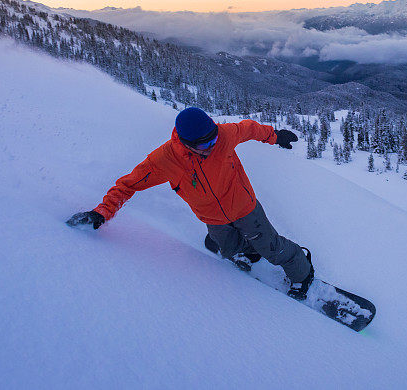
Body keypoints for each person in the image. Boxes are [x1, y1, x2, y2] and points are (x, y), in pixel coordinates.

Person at [66, 107, 315, 299]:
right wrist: (102, 212)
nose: (211, 146)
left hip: (244, 207)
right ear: (185, 143)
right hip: (212, 218)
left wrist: (274, 136)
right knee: (229, 250)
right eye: (204, 144)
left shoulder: (224, 136)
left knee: (270, 247)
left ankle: (302, 274)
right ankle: (247, 251)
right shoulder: (164, 160)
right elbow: (128, 184)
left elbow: (249, 128)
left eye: (213, 139)